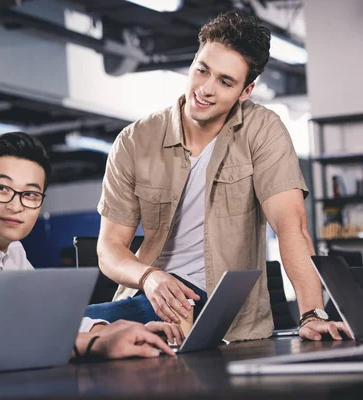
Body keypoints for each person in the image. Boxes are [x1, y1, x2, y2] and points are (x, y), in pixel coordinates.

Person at [85, 11, 350, 342]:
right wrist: (150, 277)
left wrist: (312, 313)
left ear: (246, 90)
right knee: (77, 328)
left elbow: (290, 226)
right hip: (153, 299)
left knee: (73, 328)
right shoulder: (134, 141)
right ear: (194, 61)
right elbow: (109, 248)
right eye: (202, 70)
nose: (206, 89)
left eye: (225, 82)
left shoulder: (262, 130)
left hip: (227, 312)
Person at [0, 132, 183, 355]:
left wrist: (117, 331)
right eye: (2, 189)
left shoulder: (13, 251)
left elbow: (48, 318)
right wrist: (95, 345)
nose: (16, 205)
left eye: (30, 194)